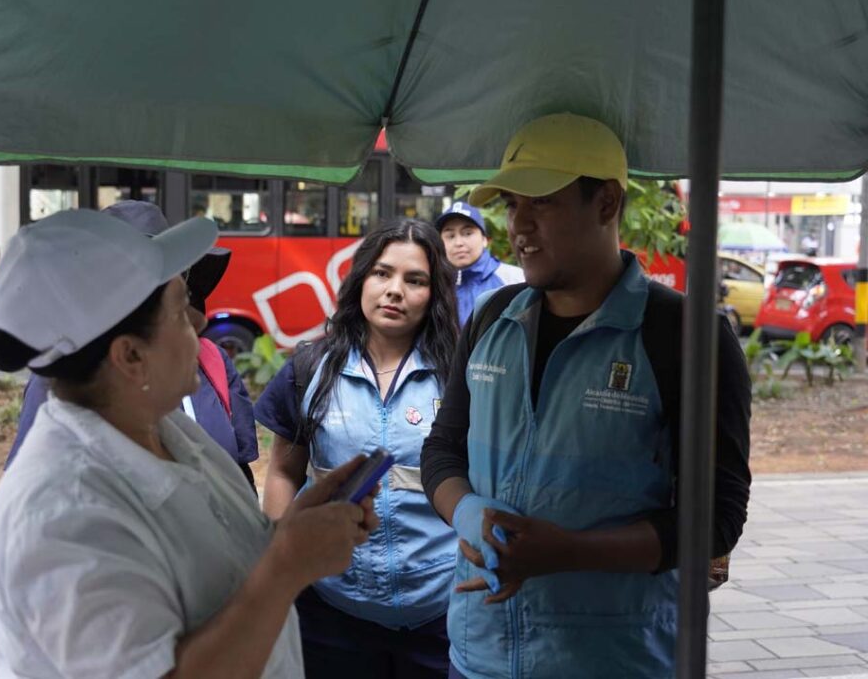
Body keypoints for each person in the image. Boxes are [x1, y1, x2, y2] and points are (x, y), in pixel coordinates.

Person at [420, 113, 752, 678]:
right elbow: (443, 449)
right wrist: (468, 511)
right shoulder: (493, 318)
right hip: (479, 657)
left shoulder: (686, 335)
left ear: (605, 203)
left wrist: (568, 553)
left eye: (540, 202)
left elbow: (713, 520)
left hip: (613, 661)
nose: (518, 227)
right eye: (510, 204)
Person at [0, 208, 379, 678]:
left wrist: (294, 531)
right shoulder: (63, 514)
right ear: (131, 355)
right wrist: (287, 567)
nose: (198, 317)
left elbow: (221, 564)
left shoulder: (165, 427)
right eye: (179, 306)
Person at [255, 219, 460, 678]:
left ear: (435, 294)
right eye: (382, 273)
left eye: (415, 280)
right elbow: (285, 472)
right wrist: (281, 558)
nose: (394, 291)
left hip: (441, 613)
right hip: (332, 613)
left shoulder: (460, 374)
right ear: (361, 278)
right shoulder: (312, 367)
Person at [5, 201, 260, 490]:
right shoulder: (61, 381)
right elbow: (36, 491)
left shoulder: (210, 362)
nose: (199, 322)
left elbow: (239, 477)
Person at [435, 201, 523, 326]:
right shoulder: (433, 284)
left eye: (467, 233)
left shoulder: (514, 279)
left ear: (484, 240)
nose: (459, 242)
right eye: (450, 236)